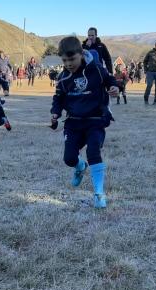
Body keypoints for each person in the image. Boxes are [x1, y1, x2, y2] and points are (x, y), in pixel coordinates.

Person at [50, 36, 118, 209]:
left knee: (94, 151)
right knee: (69, 159)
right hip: (73, 123)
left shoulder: (96, 69)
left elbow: (110, 80)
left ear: (81, 54)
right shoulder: (63, 78)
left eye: (72, 59)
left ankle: (98, 193)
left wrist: (115, 87)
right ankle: (80, 166)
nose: (68, 64)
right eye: (64, 60)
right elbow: (58, 98)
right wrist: (55, 113)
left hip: (95, 120)